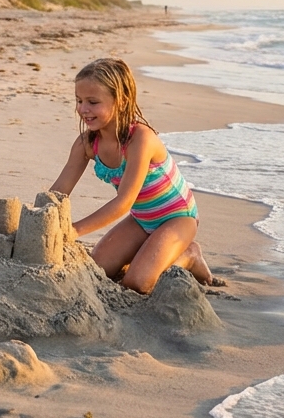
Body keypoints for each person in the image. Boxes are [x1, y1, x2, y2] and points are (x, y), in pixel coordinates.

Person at [48, 58, 219, 293]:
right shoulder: (87, 144)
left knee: (137, 283)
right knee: (99, 268)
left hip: (177, 217)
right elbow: (59, 192)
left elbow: (123, 202)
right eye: (79, 100)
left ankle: (189, 255)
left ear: (121, 101)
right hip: (142, 219)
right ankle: (148, 252)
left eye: (93, 102)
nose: (82, 109)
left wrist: (75, 230)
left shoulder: (141, 139)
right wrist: (38, 217)